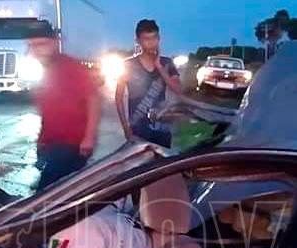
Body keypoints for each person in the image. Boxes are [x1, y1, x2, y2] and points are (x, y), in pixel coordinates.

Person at [26, 22, 101, 191]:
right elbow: (48, 111)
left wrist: (89, 137)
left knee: (47, 193)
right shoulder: (43, 71)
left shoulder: (71, 67)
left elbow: (93, 99)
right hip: (51, 145)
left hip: (72, 145)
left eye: (41, 44)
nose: (37, 50)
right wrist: (41, 140)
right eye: (32, 45)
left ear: (54, 43)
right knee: (61, 192)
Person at [115, 19, 183, 149]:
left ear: (159, 38)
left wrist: (159, 67)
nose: (151, 43)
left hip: (162, 129)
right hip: (138, 130)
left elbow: (178, 90)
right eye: (146, 39)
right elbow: (118, 98)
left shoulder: (167, 63)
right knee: (141, 162)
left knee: (163, 161)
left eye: (154, 38)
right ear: (138, 41)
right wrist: (126, 127)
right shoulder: (128, 65)